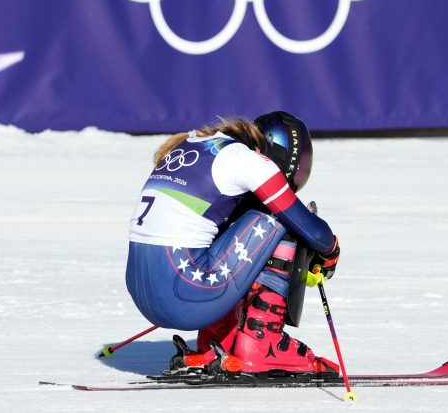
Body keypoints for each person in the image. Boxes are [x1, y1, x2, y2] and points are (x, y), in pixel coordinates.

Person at [125, 111, 341, 375]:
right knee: (284, 215)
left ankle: (215, 341)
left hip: (144, 292)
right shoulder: (247, 160)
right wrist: (330, 252)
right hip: (186, 294)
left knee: (230, 213)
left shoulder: (195, 144)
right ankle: (261, 344)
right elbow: (314, 232)